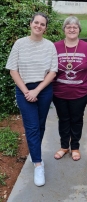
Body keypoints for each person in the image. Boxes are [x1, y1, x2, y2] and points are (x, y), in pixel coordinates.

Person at [6, 12, 58, 187]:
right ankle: (38, 163)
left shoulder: (50, 46)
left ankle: (34, 152)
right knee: (32, 126)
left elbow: (53, 71)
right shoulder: (20, 44)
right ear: (30, 24)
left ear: (45, 28)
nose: (39, 26)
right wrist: (27, 91)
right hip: (24, 90)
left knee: (40, 125)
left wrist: (36, 90)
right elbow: (13, 70)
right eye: (36, 22)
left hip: (43, 90)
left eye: (42, 24)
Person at [53, 16, 87, 161]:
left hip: (80, 93)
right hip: (59, 92)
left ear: (79, 30)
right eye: (68, 26)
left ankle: (75, 147)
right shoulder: (55, 46)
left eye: (75, 27)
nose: (71, 29)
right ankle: (64, 146)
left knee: (76, 119)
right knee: (63, 119)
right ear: (64, 29)